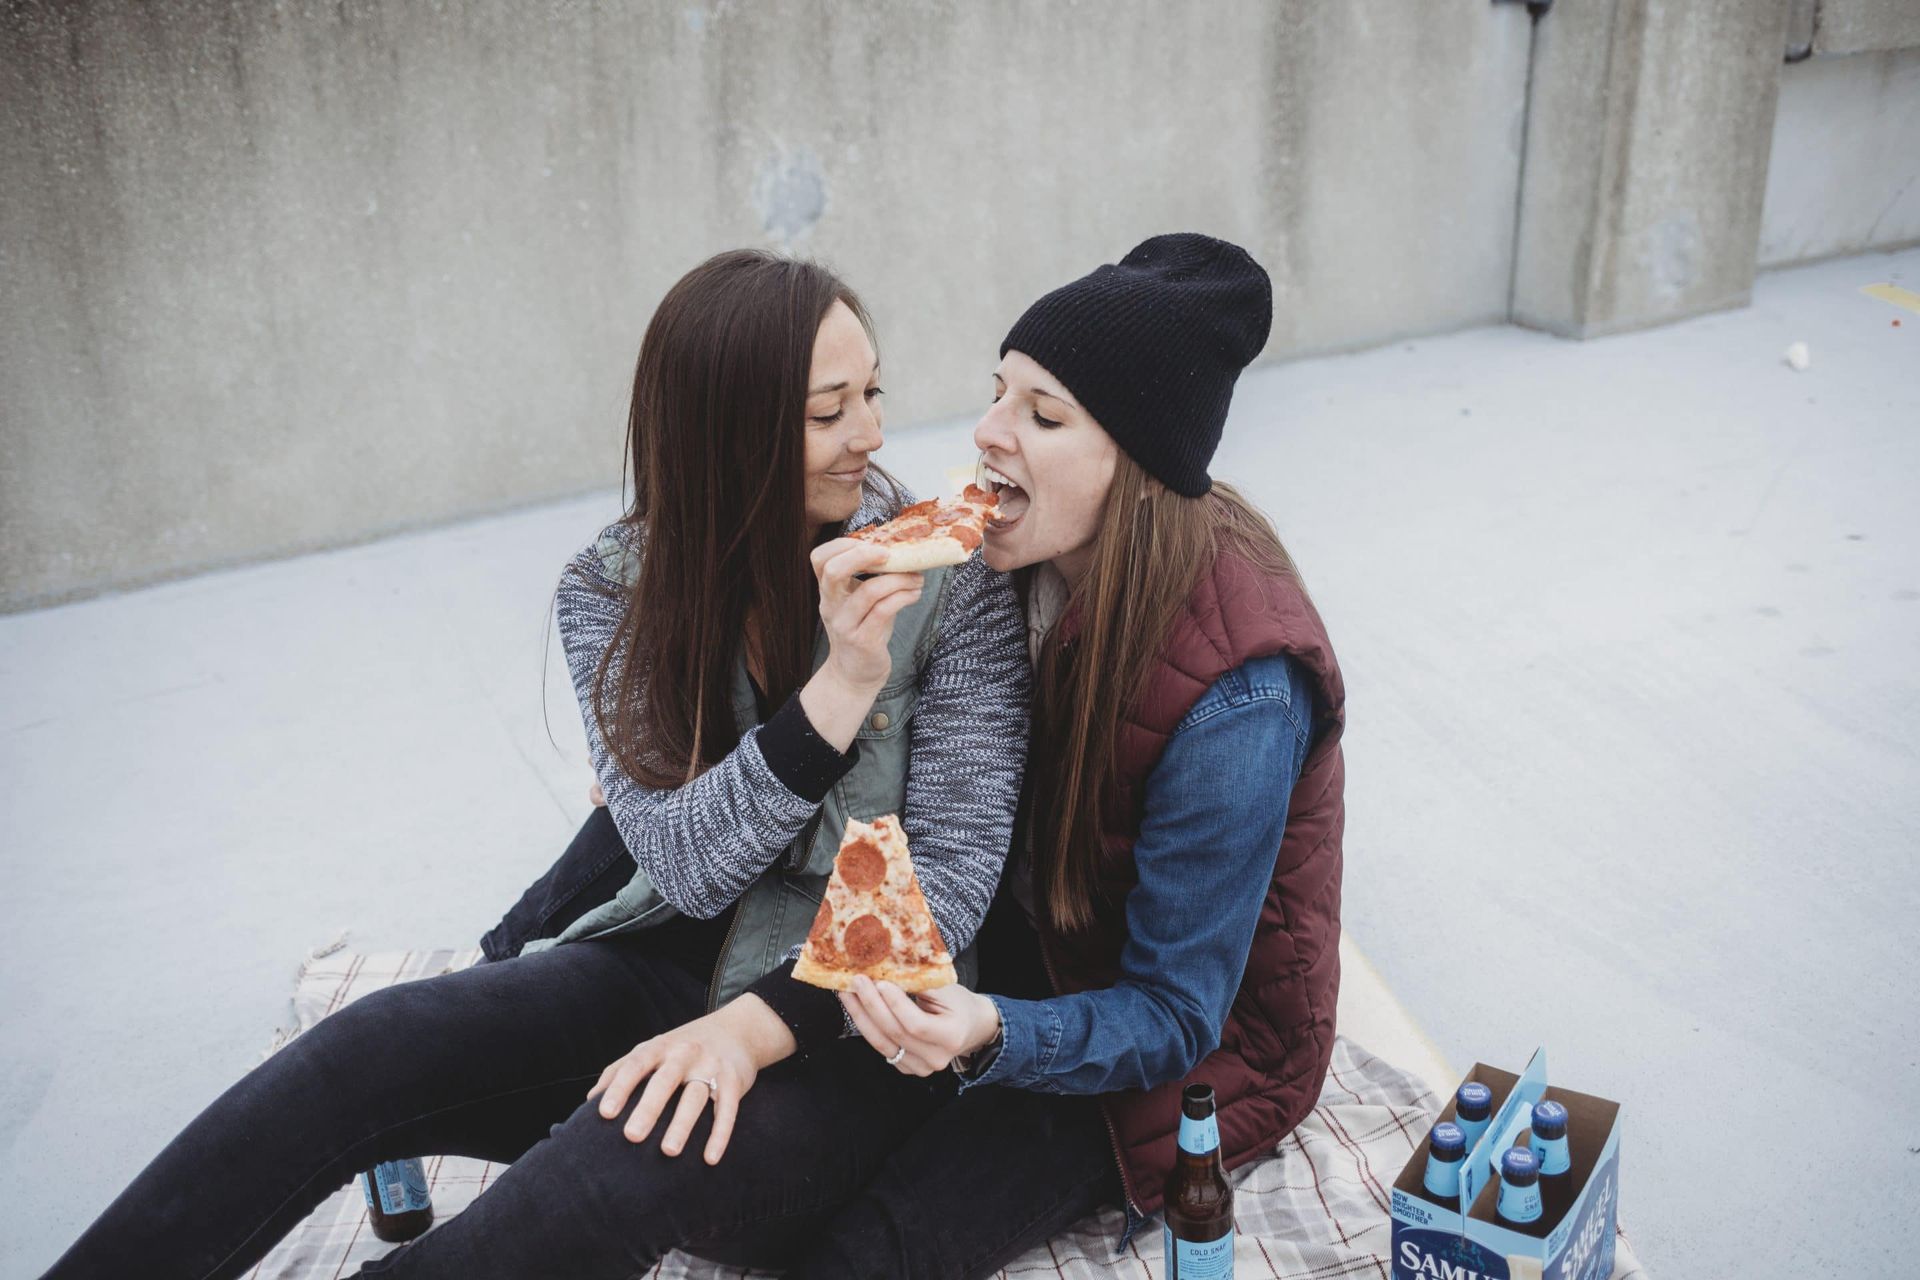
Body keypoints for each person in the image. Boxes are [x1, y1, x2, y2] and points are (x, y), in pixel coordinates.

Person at [39, 250, 1029, 1280]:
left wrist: (748, 1031)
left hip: (847, 1037)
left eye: (872, 393)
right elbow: (684, 863)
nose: (871, 436)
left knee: (616, 1162)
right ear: (729, 431)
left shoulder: (954, 587)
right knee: (357, 1053)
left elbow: (946, 887)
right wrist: (835, 694)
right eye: (830, 412)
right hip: (661, 965)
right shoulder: (613, 589)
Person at [787, 233, 1348, 1278]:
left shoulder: (1243, 690)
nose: (987, 434)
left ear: (1136, 465)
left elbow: (1178, 1011)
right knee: (779, 1163)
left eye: (1043, 416)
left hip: (1175, 1050)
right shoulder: (1005, 551)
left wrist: (991, 1029)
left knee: (863, 1248)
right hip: (1026, 932)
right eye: (998, 392)